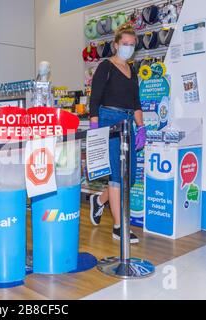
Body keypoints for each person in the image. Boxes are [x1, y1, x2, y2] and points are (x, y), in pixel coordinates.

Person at [88, 23, 146, 244]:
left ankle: (99, 200)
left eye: (132, 45)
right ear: (115, 44)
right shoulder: (106, 66)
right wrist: (95, 128)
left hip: (128, 122)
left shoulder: (132, 71)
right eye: (125, 44)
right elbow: (95, 98)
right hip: (108, 121)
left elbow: (136, 102)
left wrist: (141, 127)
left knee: (128, 177)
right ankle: (119, 227)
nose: (128, 48)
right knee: (116, 176)